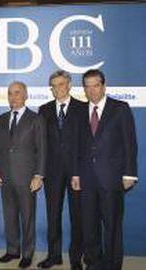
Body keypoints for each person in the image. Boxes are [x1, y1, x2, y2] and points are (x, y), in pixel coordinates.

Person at [73, 69, 137, 270]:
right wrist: (76, 173)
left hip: (112, 178)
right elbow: (76, 145)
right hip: (87, 179)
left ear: (103, 85)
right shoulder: (79, 111)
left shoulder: (120, 108)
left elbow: (130, 143)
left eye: (96, 85)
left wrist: (130, 173)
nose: (91, 90)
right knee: (90, 227)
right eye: (87, 86)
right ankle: (93, 262)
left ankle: (112, 265)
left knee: (112, 227)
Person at [0, 81, 46, 269]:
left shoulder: (36, 119)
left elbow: (41, 149)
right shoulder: (1, 119)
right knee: (9, 216)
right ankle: (12, 250)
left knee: (28, 217)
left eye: (17, 93)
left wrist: (38, 176)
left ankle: (27, 254)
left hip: (27, 178)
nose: (13, 97)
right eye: (10, 93)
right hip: (5, 176)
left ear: (25, 96)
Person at [37, 71, 84, 270]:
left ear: (69, 85)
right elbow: (40, 143)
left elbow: (86, 142)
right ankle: (54, 256)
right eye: (54, 85)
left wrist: (79, 171)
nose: (57, 88)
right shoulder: (44, 109)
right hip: (52, 172)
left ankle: (75, 258)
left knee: (78, 217)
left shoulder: (83, 108)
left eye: (61, 84)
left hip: (77, 173)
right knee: (53, 215)